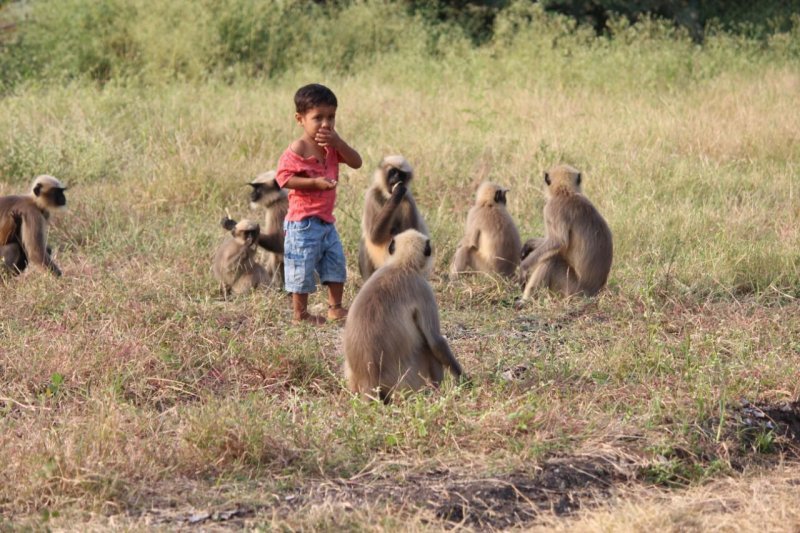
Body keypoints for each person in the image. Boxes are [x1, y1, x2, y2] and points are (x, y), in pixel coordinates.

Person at [275, 83, 362, 325]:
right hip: (302, 223)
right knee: (301, 266)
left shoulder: (331, 148)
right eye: (318, 118)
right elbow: (283, 178)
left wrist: (338, 142)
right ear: (300, 119)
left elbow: (357, 162)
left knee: (336, 262)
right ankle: (300, 314)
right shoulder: (298, 148)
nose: (326, 124)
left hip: (325, 222)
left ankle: (335, 308)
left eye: (331, 117)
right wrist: (314, 183)